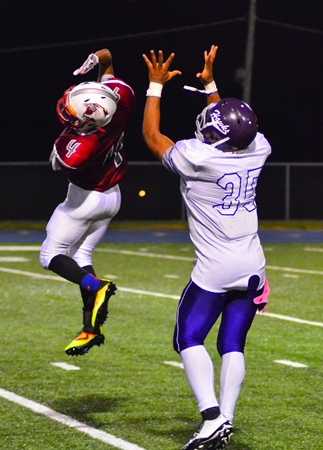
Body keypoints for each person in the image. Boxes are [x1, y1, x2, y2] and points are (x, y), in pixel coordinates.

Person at [142, 46, 271, 450]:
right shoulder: (259, 147)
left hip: (215, 266)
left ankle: (212, 417)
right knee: (232, 343)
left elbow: (151, 136)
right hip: (253, 263)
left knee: (188, 337)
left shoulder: (197, 158)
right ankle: (226, 419)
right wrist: (212, 87)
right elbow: (234, 126)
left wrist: (155, 86)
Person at [40, 48, 135, 356]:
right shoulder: (121, 98)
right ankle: (90, 329)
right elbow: (108, 66)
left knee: (50, 255)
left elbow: (59, 161)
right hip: (112, 197)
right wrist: (100, 59)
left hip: (84, 200)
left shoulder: (77, 147)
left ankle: (98, 288)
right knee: (81, 256)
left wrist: (73, 123)